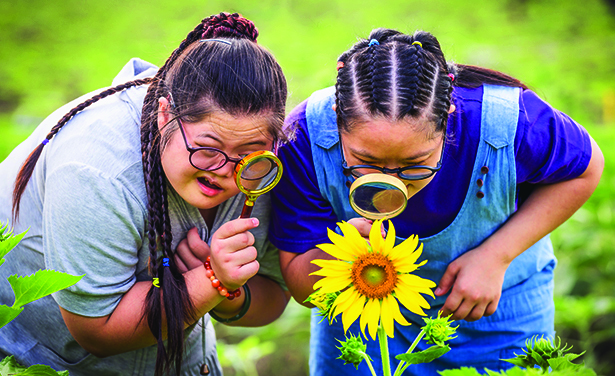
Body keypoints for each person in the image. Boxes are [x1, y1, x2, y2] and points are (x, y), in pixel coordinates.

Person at [269, 28, 604, 375]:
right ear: (337, 119)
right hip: (361, 328)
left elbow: (586, 168)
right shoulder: (304, 138)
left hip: (498, 313)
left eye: (415, 163)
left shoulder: (507, 122)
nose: (391, 181)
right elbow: (303, 284)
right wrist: (342, 252)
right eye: (366, 161)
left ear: (450, 116)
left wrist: (496, 255)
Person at [0, 12, 290, 376]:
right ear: (164, 114)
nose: (223, 171)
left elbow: (276, 295)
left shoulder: (263, 168)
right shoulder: (97, 171)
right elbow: (97, 330)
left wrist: (230, 294)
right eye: (207, 148)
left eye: (248, 154)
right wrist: (210, 280)